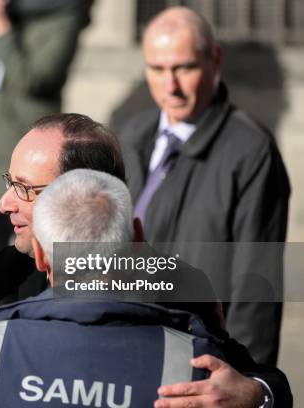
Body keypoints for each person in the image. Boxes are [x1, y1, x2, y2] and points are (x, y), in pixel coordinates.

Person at [0, 113, 291, 407]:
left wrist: (257, 394)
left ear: (78, 197)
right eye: (9, 181)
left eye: (24, 188)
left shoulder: (173, 284)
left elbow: (246, 374)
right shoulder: (10, 269)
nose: (5, 202)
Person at [117, 6, 290, 365]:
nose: (171, 87)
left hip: (200, 358)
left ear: (215, 59)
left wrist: (245, 380)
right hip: (129, 346)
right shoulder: (133, 134)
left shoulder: (251, 150)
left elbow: (256, 288)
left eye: (184, 67)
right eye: (157, 69)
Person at [0, 0, 93, 259]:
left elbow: (36, 79)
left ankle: (26, 298)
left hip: (24, 145)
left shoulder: (64, 12)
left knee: (31, 244)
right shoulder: (12, 10)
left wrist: (0, 27)